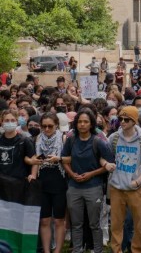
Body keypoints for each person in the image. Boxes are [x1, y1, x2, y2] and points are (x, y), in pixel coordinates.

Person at [104, 105, 141, 253]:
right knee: (115, 224)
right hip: (116, 187)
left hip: (136, 188)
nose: (122, 122)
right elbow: (104, 157)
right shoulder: (113, 138)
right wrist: (106, 164)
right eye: (120, 118)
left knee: (139, 225)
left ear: (134, 121)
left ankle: (139, 250)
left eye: (126, 119)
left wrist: (139, 180)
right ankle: (116, 250)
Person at [61, 108, 114, 253]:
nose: (82, 124)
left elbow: (109, 165)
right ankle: (77, 249)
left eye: (86, 122)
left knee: (94, 223)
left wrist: (91, 174)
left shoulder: (99, 142)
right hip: (74, 187)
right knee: (76, 223)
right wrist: (72, 174)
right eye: (80, 122)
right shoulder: (71, 140)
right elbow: (64, 160)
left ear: (91, 124)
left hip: (93, 187)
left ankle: (97, 250)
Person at [37, 112, 67, 253]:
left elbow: (70, 159)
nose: (47, 129)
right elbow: (33, 160)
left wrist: (59, 159)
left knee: (59, 220)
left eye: (50, 126)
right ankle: (47, 250)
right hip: (42, 180)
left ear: (56, 125)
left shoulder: (63, 138)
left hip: (59, 179)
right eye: (44, 126)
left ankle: (58, 250)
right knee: (44, 220)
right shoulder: (38, 138)